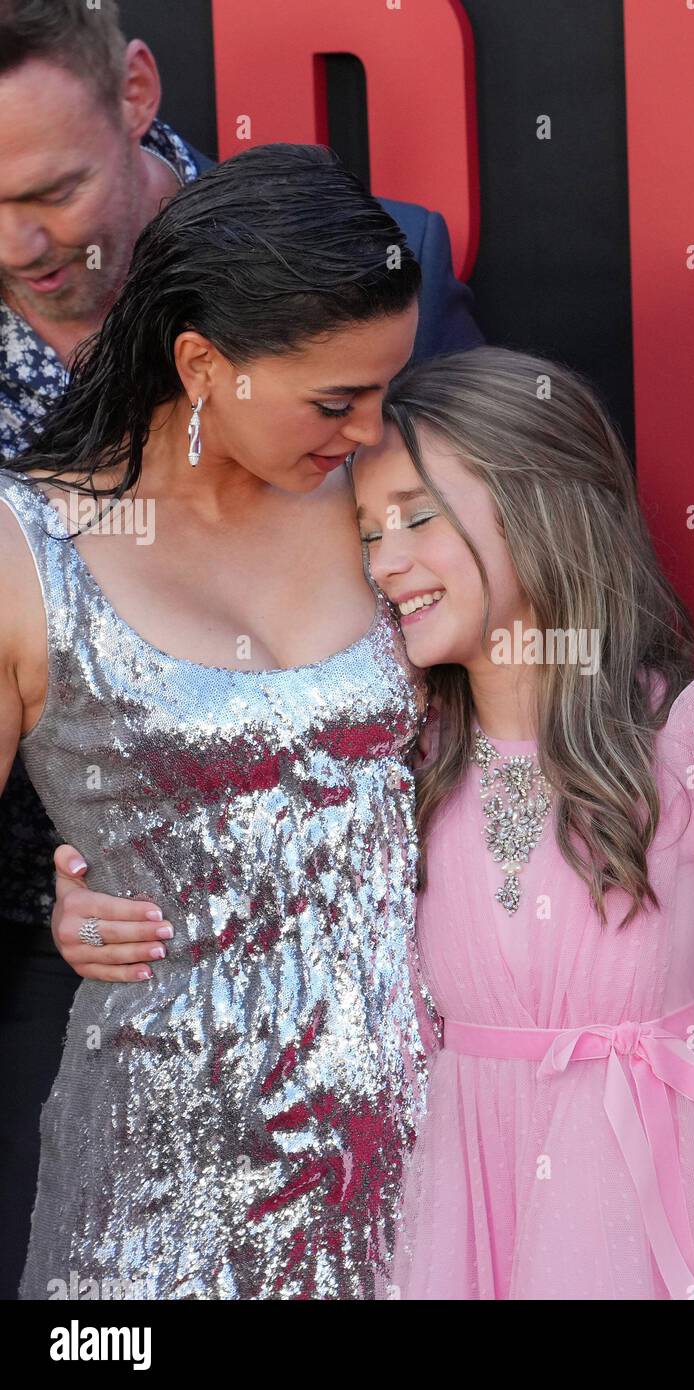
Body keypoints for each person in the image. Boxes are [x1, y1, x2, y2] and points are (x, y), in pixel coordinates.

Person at [0, 0, 481, 1300]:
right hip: (139, 1130)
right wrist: (54, 891)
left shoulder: (384, 415)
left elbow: (532, 694)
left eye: (51, 187)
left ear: (136, 94)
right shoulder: (30, 542)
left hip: (433, 1128)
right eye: (339, 402)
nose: (20, 242)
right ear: (205, 368)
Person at [349, 346, 694, 1299]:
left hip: (658, 1187)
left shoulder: (688, 727)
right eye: (366, 533)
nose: (385, 561)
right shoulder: (401, 751)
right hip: (468, 1195)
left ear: (543, 504)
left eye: (417, 517)